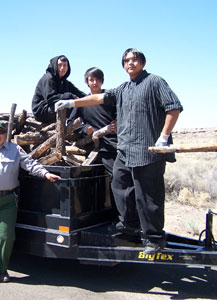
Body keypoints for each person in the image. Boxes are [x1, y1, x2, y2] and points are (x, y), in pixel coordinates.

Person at [55, 48, 183, 254]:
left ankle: (154, 238)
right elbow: (98, 98)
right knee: (119, 184)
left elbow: (173, 107)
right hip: (126, 149)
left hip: (149, 150)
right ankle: (130, 224)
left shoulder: (155, 82)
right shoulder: (123, 89)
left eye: (134, 60)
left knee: (148, 196)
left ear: (142, 62)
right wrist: (72, 103)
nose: (130, 63)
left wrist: (164, 137)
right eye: (126, 60)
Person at [0, 120, 60, 285]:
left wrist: (45, 174)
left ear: (5, 133)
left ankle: (3, 271)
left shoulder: (15, 150)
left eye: (0, 132)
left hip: (7, 201)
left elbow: (30, 164)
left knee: (5, 237)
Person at [67, 67, 118, 214]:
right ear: (87, 82)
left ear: (102, 81)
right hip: (92, 148)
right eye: (91, 80)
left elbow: (121, 116)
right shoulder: (82, 102)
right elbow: (71, 124)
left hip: (113, 145)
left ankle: (117, 216)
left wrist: (117, 124)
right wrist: (84, 129)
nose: (95, 82)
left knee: (117, 179)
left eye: (97, 79)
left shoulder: (111, 98)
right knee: (90, 181)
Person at [32, 55, 86, 123]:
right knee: (73, 108)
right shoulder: (48, 79)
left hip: (54, 107)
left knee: (81, 106)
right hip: (42, 110)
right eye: (59, 65)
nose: (62, 68)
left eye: (65, 65)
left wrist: (92, 98)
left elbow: (79, 93)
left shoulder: (64, 82)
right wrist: (70, 96)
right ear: (54, 66)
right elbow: (51, 98)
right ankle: (74, 127)